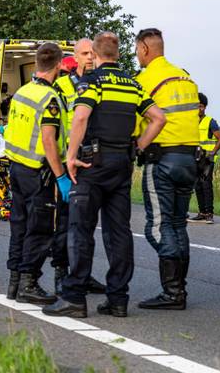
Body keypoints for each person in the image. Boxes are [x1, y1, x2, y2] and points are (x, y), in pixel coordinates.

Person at [42, 32, 165, 318]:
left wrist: (70, 156)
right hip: (121, 163)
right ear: (118, 55)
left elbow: (81, 116)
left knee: (80, 229)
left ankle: (74, 297)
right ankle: (117, 298)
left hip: (92, 164)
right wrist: (138, 146)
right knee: (119, 231)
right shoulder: (132, 85)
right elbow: (159, 118)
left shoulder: (92, 81)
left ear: (95, 56)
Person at [133, 28, 200, 311]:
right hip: (189, 160)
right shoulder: (186, 78)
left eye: (137, 50)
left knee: (158, 227)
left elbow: (137, 122)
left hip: (161, 159)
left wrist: (136, 147)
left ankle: (173, 293)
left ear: (145, 49)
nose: (136, 55)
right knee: (178, 224)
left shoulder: (144, 80)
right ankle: (178, 290)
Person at [3, 43, 68, 305]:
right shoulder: (50, 99)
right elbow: (49, 140)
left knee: (18, 225)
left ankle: (14, 281)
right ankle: (29, 281)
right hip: (38, 172)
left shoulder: (22, 92)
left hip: (17, 168)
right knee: (40, 228)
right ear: (60, 65)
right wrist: (60, 175)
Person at [50, 39, 105, 296]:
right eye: (84, 54)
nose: (90, 58)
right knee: (66, 222)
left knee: (87, 224)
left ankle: (83, 273)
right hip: (69, 161)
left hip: (94, 161)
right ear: (75, 57)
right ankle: (61, 273)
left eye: (92, 53)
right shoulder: (61, 86)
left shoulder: (100, 82)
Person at [188, 92, 220, 224]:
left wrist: (213, 153)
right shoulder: (191, 122)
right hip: (195, 158)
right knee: (197, 185)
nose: (200, 109)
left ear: (205, 107)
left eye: (202, 106)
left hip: (207, 159)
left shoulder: (210, 122)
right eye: (197, 106)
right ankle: (202, 213)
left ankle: (209, 214)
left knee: (206, 185)